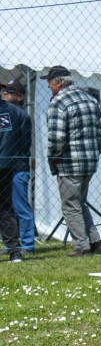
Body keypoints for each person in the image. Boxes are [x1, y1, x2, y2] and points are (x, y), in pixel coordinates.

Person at [40, 66, 101, 257]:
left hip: (69, 163)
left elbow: (56, 139)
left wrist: (53, 160)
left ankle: (81, 246)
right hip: (90, 162)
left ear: (58, 82)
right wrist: (94, 151)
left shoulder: (58, 103)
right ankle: (95, 241)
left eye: (49, 83)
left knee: (70, 205)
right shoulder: (89, 99)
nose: (49, 87)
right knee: (80, 202)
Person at [0, 78, 33, 262]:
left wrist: (17, 164)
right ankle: (13, 246)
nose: (5, 93)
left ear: (19, 97)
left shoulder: (19, 115)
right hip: (9, 165)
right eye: (4, 90)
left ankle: (26, 244)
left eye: (9, 91)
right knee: (8, 207)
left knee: (17, 207)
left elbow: (23, 144)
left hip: (16, 166)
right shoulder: (12, 112)